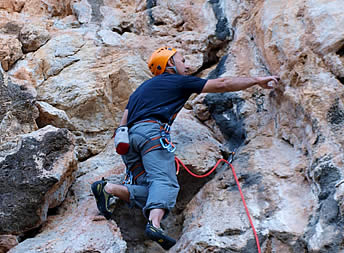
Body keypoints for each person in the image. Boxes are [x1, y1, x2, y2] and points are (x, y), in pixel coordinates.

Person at [91, 46, 279, 250]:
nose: (187, 66)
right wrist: (256, 80)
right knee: (165, 182)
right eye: (182, 60)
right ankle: (154, 225)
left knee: (150, 190)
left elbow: (124, 119)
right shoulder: (177, 81)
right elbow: (221, 83)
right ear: (169, 64)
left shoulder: (141, 89)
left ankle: (109, 188)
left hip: (128, 141)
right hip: (152, 135)